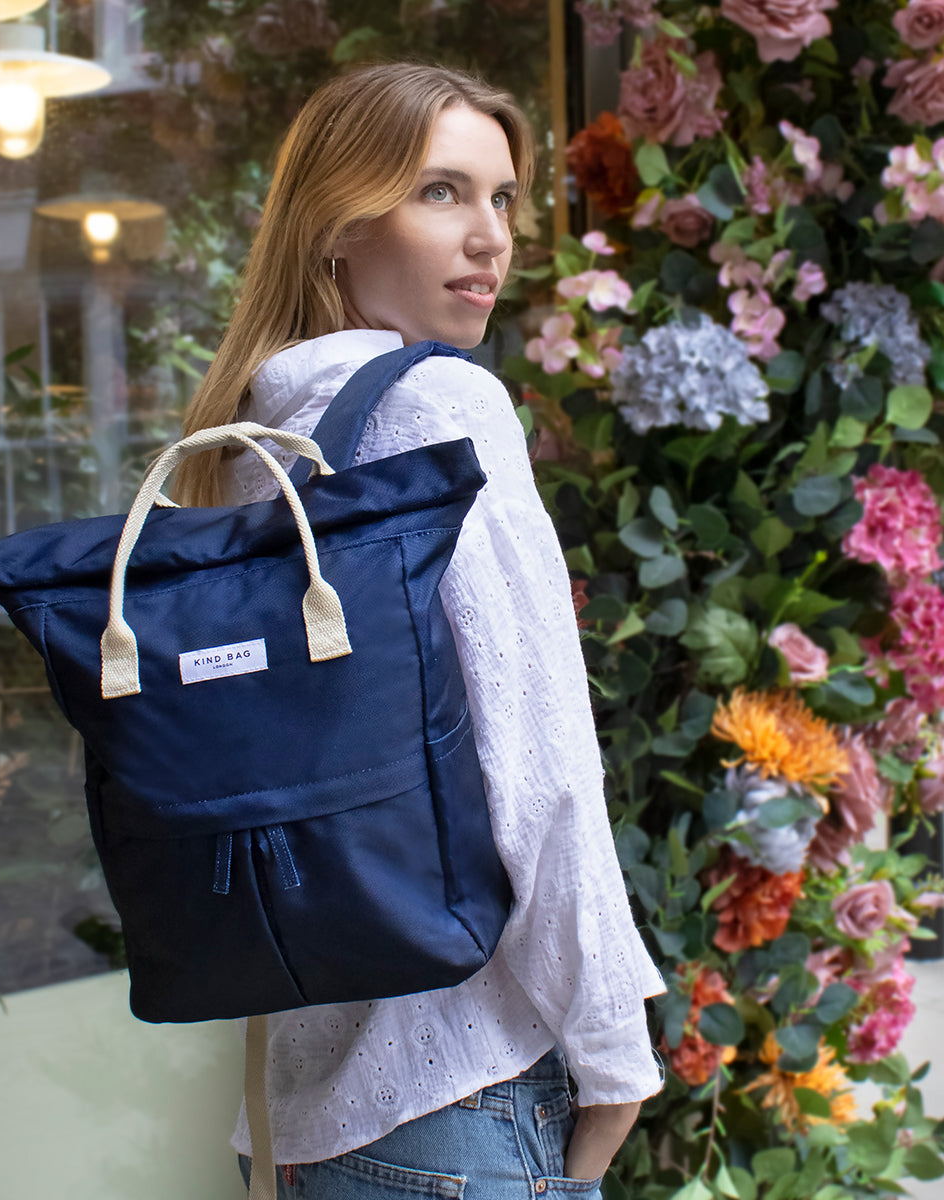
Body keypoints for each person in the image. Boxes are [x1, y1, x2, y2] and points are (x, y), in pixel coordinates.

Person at [172, 62, 665, 1200]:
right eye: (441, 193)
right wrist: (614, 1059)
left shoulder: (250, 443)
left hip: (299, 1108)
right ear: (337, 224)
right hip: (463, 1093)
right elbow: (538, 759)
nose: (490, 238)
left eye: (501, 200)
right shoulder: (439, 404)